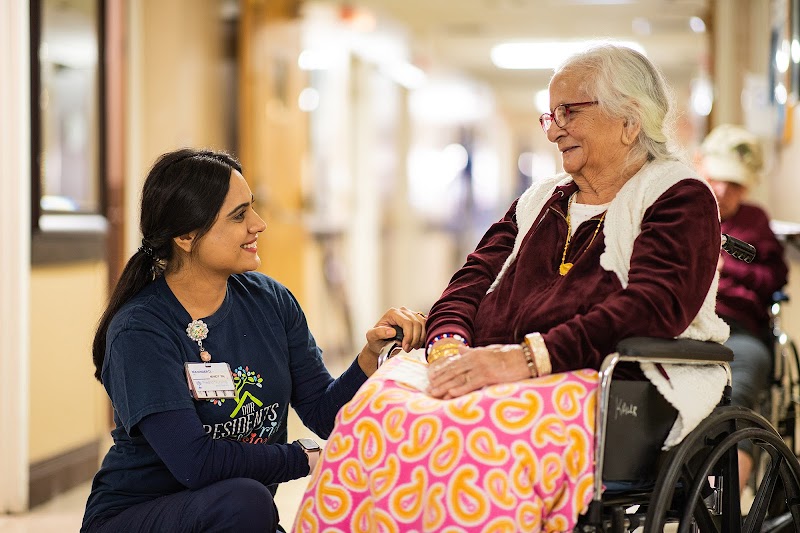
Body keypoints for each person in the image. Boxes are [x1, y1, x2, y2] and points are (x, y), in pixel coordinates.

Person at [291, 44, 728, 532]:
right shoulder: (540, 201)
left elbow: (653, 307)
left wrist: (525, 359)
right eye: (550, 114)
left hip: (605, 378)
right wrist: (449, 343)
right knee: (373, 412)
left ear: (630, 119)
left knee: (475, 438)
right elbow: (467, 284)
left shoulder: (676, 193)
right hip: (493, 362)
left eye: (569, 111)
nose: (555, 127)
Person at [80, 148, 427, 533]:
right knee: (246, 500)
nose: (259, 224)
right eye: (239, 215)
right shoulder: (141, 331)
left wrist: (370, 357)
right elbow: (196, 463)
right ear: (185, 235)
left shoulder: (271, 301)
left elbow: (325, 415)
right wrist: (304, 458)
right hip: (139, 515)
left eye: (253, 209)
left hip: (234, 516)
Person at [697, 124, 788, 491]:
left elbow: (774, 277)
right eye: (718, 179)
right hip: (689, 327)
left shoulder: (754, 221)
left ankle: (727, 511)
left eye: (734, 184)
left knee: (737, 397)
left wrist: (725, 265)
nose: (723, 190)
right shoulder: (684, 210)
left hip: (741, 331)